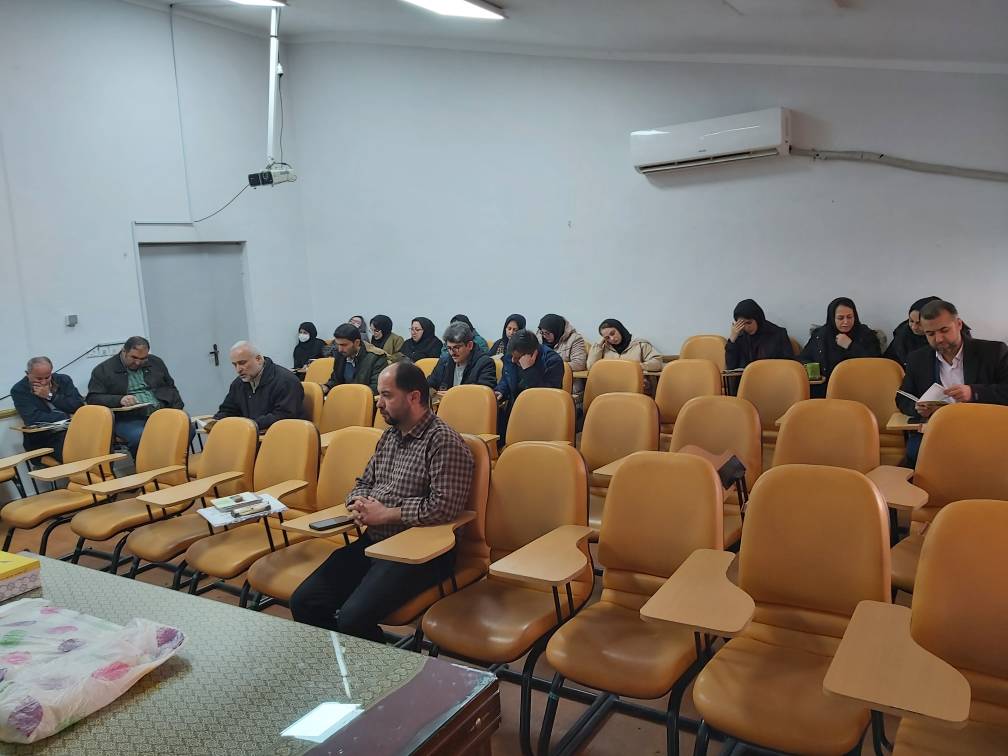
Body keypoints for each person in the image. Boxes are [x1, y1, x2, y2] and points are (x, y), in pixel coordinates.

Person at [289, 361, 474, 641]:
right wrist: (358, 503)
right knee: (304, 601)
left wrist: (385, 514)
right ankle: (341, 661)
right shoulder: (390, 435)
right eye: (379, 395)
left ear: (414, 397)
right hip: (376, 542)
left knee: (352, 619)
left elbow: (444, 506)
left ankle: (376, 667)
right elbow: (363, 482)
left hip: (421, 553)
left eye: (387, 395)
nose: (379, 403)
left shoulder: (443, 441)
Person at [896, 300, 1008, 466]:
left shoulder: (993, 352)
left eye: (944, 330)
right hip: (938, 429)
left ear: (959, 324)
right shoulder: (917, 359)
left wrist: (973, 392)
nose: (939, 339)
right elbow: (903, 397)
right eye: (930, 334)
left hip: (984, 427)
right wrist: (918, 408)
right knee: (914, 453)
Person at [86, 336, 185, 458]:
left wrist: (178, 411)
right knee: (140, 436)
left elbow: (171, 387)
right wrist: (119, 400)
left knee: (186, 428)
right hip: (128, 419)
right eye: (134, 357)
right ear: (124, 351)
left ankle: (174, 461)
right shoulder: (104, 370)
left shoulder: (155, 362)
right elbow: (93, 398)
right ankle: (147, 466)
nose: (138, 362)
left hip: (161, 412)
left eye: (143, 359)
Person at [798, 297, 881, 398]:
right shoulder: (821, 335)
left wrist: (850, 345)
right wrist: (814, 372)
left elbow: (876, 364)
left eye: (849, 317)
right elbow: (803, 358)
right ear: (832, 318)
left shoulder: (865, 334)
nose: (846, 322)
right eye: (840, 318)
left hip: (858, 389)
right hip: (823, 390)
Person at [213, 341, 304, 431]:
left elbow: (283, 417)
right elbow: (228, 410)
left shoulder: (286, 381)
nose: (238, 370)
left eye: (242, 363)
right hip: (251, 433)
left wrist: (250, 425)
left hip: (282, 435)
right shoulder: (238, 384)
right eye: (234, 365)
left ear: (258, 359)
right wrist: (216, 422)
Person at [10, 356, 85, 462]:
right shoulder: (19, 390)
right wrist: (67, 416)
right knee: (76, 452)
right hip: (44, 438)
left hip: (74, 430)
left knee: (98, 442)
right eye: (39, 379)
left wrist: (50, 396)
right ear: (27, 374)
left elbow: (78, 405)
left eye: (47, 377)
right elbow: (33, 419)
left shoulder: (63, 380)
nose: (43, 382)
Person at [494, 329, 564, 436]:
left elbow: (547, 398)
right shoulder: (511, 355)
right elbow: (506, 378)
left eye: (518, 358)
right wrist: (501, 391)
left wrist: (529, 370)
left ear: (533, 354)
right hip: (515, 411)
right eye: (512, 356)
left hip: (542, 416)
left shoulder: (552, 361)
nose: (513, 360)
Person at [428, 322, 497, 395]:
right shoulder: (444, 361)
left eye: (457, 347)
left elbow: (485, 394)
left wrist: (453, 395)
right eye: (449, 348)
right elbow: (428, 385)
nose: (452, 352)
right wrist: (434, 393)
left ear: (470, 345)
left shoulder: (485, 363)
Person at [322, 323, 389, 396]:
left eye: (344, 345)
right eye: (338, 344)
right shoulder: (341, 354)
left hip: (363, 399)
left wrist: (351, 395)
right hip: (344, 397)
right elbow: (335, 380)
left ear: (357, 342)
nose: (340, 349)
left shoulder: (376, 357)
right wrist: (327, 387)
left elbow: (376, 388)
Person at [725, 299, 794, 369]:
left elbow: (789, 365)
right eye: (742, 324)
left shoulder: (778, 334)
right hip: (747, 376)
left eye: (749, 323)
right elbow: (731, 367)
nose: (746, 327)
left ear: (758, 319)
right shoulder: (740, 337)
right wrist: (732, 340)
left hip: (772, 374)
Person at [883, 297, 941, 370]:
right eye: (911, 321)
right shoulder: (903, 335)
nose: (914, 327)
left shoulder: (944, 338)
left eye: (919, 323)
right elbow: (888, 363)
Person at [538, 313, 588, 399]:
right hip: (543, 382)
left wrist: (551, 365)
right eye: (542, 333)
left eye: (548, 333)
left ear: (557, 330)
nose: (544, 336)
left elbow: (579, 364)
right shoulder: (539, 337)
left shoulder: (575, 339)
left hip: (569, 385)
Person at [586, 318, 662, 372]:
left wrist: (637, 366)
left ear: (619, 329)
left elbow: (657, 363)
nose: (612, 338)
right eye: (607, 337)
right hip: (611, 385)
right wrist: (598, 346)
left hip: (636, 385)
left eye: (613, 333)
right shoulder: (603, 348)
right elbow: (591, 367)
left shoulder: (640, 344)